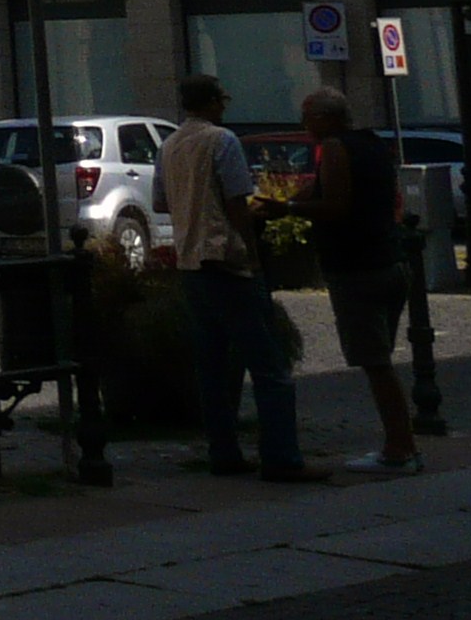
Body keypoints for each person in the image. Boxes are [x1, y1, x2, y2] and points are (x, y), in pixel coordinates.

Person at [157, 75, 319, 481]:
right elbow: (235, 200)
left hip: (191, 262)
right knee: (269, 364)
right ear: (213, 102)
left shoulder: (169, 145)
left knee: (212, 367)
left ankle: (223, 452)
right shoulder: (222, 141)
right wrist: (253, 252)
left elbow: (160, 201)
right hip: (228, 261)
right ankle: (281, 457)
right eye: (222, 100)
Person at [304, 89, 420, 475]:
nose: (304, 126)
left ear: (325, 117)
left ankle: (399, 448)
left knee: (375, 363)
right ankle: (402, 443)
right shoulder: (372, 145)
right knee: (380, 360)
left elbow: (335, 204)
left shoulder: (335, 147)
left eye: (308, 117)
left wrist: (286, 209)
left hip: (357, 268)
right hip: (390, 260)